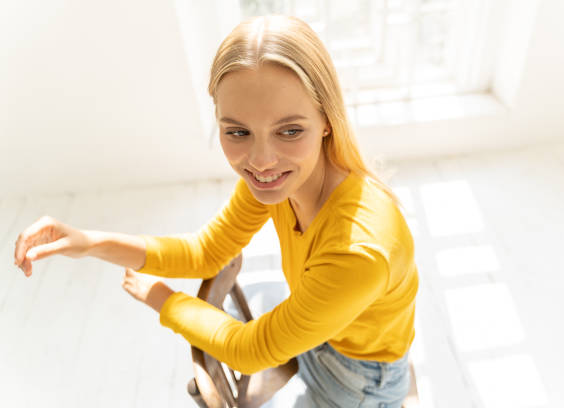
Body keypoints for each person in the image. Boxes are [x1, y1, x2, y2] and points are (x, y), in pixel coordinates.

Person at [14, 15, 419, 407]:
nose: (261, 161)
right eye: (238, 132)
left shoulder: (359, 252)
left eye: (289, 131)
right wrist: (89, 243)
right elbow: (205, 252)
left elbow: (252, 350)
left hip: (360, 382)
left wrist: (163, 300)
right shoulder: (284, 182)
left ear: (327, 119)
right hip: (326, 337)